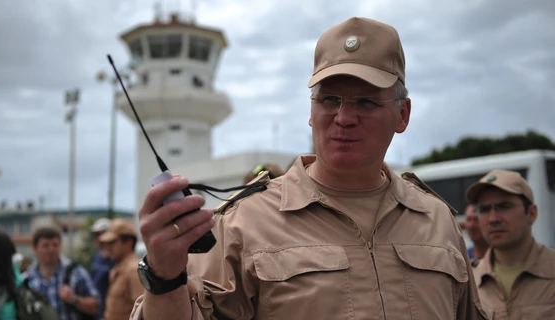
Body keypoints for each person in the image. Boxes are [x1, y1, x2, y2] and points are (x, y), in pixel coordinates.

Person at [130, 17, 490, 319]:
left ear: (402, 114)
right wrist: (165, 276)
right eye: (330, 99)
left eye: (365, 101)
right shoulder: (244, 223)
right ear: (311, 110)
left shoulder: (438, 220)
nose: (344, 118)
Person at [466, 169, 555, 319]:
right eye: (484, 209)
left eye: (505, 206)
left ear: (532, 213)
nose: (493, 218)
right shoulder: (469, 283)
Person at [24, 226, 100, 320]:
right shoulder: (27, 278)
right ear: (35, 248)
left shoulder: (76, 272)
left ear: (60, 246)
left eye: (55, 245)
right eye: (45, 245)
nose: (51, 249)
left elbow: (96, 306)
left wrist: (74, 299)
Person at [98, 218, 144, 320]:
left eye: (113, 243)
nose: (108, 248)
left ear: (128, 242)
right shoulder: (119, 267)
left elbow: (142, 311)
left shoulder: (133, 270)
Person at [90, 218, 116, 319]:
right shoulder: (97, 256)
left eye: (101, 234)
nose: (99, 238)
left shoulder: (116, 258)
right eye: (96, 235)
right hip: (98, 308)